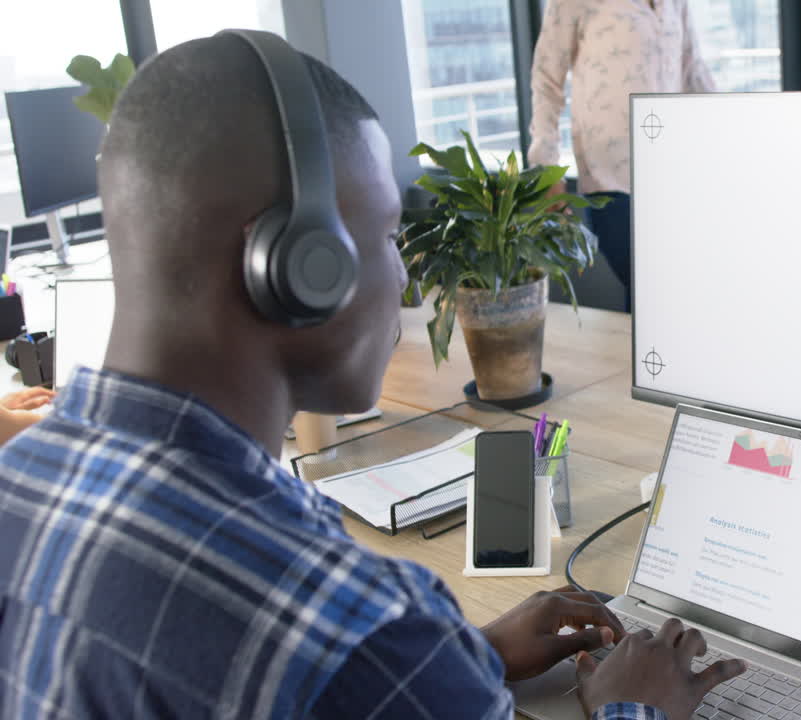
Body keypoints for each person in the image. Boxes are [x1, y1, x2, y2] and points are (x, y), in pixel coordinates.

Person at [0, 35, 742, 719]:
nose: (403, 275)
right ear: (298, 266)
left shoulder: (16, 479)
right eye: (387, 235)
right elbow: (335, 652)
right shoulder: (352, 626)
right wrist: (634, 707)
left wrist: (460, 659)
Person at [528, 0, 715, 310]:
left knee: (671, 296)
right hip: (612, 178)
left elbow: (692, 69)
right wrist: (546, 166)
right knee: (648, 287)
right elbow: (546, 79)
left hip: (674, 174)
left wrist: (736, 132)